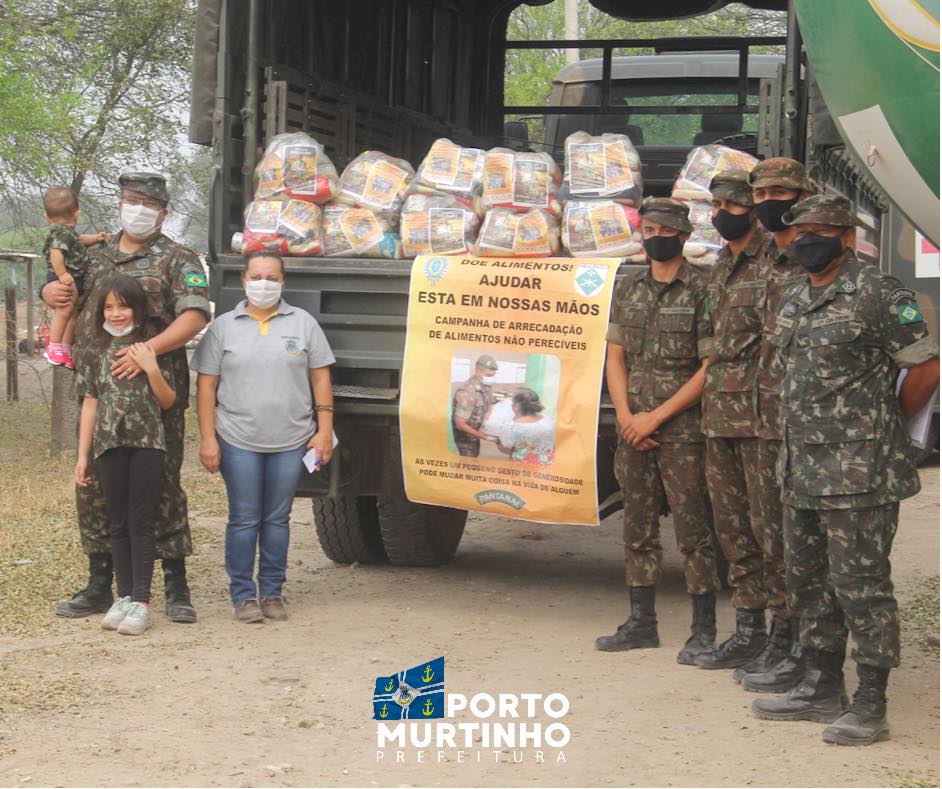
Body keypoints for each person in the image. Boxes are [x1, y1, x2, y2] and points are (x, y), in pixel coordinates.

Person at [751, 195, 940, 746]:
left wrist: (885, 422)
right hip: (801, 468)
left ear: (844, 236)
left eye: (817, 231)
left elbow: (926, 365)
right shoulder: (794, 297)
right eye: (799, 231)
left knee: (862, 587)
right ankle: (820, 685)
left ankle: (871, 702)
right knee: (808, 582)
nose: (806, 239)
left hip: (859, 472)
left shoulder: (881, 294)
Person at [42, 172, 210, 623]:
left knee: (162, 485)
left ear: (163, 211)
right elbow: (62, 292)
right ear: (118, 205)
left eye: (148, 203)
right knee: (97, 486)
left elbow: (194, 316)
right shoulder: (91, 256)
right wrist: (49, 290)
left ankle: (175, 583)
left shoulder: (178, 258)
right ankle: (101, 581)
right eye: (130, 200)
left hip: (156, 394)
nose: (138, 209)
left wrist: (146, 352)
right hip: (100, 389)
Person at [596, 197, 721, 661]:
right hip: (635, 428)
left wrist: (656, 416)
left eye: (662, 231)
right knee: (637, 525)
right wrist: (627, 415)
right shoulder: (630, 288)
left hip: (683, 430)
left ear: (683, 237)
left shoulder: (704, 290)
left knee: (694, 529)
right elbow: (616, 356)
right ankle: (640, 622)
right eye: (646, 230)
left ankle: (703, 630)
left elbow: (710, 367)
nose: (653, 238)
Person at [696, 167, 811, 671]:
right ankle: (749, 628)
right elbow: (716, 344)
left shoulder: (786, 261)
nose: (726, 213)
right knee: (734, 533)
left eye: (739, 203)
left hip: (769, 419)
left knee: (775, 536)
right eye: (718, 206)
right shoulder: (721, 265)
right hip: (722, 416)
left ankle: (785, 636)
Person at [191, 252, 336, 623]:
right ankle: (243, 596)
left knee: (277, 519)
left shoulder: (302, 323)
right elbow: (206, 386)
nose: (264, 284)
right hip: (238, 440)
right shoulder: (224, 326)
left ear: (283, 282)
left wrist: (323, 432)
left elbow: (320, 378)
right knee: (243, 518)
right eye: (256, 276)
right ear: (244, 281)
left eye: (272, 277)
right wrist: (208, 438)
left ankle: (272, 592)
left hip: (292, 440)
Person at [732, 158, 816, 693]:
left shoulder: (815, 261)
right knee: (766, 536)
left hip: (807, 430)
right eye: (761, 191)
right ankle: (780, 641)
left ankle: (806, 650)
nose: (769, 200)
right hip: (761, 422)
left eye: (782, 191)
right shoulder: (755, 256)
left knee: (801, 544)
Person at [74, 275, 176, 635]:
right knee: (116, 522)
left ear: (138, 308)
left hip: (147, 445)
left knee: (140, 521)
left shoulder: (150, 347)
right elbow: (90, 402)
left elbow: (167, 401)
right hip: (107, 445)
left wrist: (150, 367)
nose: (117, 314)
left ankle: (142, 601)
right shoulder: (94, 352)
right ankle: (123, 595)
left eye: (124, 305)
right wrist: (82, 455)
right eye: (109, 307)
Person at [41, 187, 107, 369]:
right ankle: (54, 347)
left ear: (46, 216)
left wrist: (96, 237)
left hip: (72, 277)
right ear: (77, 214)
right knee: (64, 311)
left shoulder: (68, 233)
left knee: (71, 313)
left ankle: (65, 347)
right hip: (64, 277)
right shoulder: (60, 233)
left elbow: (80, 239)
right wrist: (62, 274)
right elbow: (56, 252)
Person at [452, 355, 498, 457]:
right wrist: (484, 436)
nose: (491, 378)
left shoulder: (486, 385)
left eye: (493, 375)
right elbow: (460, 424)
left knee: (474, 457)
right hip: (465, 437)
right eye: (489, 375)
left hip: (476, 432)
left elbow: (489, 402)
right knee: (468, 463)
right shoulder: (467, 391)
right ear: (478, 371)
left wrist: (487, 417)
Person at [495, 388, 556, 465]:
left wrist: (497, 442)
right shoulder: (548, 420)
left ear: (516, 406)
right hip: (547, 465)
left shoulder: (511, 426)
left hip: (523, 468)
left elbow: (505, 448)